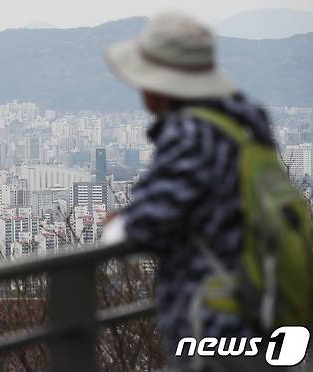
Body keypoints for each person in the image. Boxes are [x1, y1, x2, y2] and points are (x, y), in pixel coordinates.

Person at [103, 12, 288, 371]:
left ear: (160, 84)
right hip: (263, 306)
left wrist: (117, 225)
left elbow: (145, 225)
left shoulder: (191, 134)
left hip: (217, 326)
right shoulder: (245, 119)